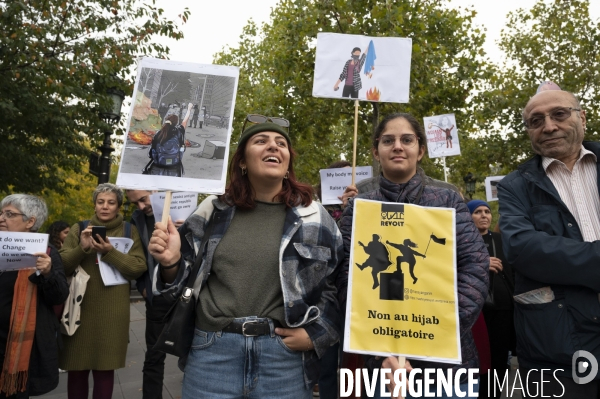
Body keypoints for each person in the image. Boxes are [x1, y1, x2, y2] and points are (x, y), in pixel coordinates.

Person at [148, 117, 343, 398]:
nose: (272, 147)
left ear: (288, 162)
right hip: (212, 354)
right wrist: (171, 262)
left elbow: (336, 286)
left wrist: (317, 334)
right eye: (260, 141)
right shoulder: (212, 210)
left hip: (283, 361)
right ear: (242, 161)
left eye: (281, 144)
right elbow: (180, 284)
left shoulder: (315, 216)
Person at [339, 113, 489, 398]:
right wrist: (379, 348)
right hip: (384, 366)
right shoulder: (358, 207)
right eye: (388, 140)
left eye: (407, 140)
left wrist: (441, 326)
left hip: (448, 367)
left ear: (420, 151)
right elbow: (344, 277)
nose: (398, 146)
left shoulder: (448, 200)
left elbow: (475, 266)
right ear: (375, 151)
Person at [498, 87, 600, 397]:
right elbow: (523, 248)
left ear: (582, 117)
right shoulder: (514, 186)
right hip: (556, 348)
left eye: (559, 114)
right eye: (536, 120)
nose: (549, 126)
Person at [59, 183, 147, 399]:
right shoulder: (79, 228)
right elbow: (61, 265)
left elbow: (137, 267)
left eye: (111, 202)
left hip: (112, 312)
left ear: (118, 206)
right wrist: (82, 248)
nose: (105, 207)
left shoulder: (129, 230)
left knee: (104, 370)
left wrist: (110, 252)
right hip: (79, 309)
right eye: (100, 202)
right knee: (76, 370)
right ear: (95, 204)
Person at [0, 194, 69, 398]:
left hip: (18, 346)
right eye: (1, 213)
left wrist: (47, 273)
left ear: (30, 221)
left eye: (9, 214)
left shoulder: (45, 252)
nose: (2, 218)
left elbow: (59, 296)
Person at [125, 189, 184, 399]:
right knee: (153, 356)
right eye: (135, 203)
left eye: (143, 199)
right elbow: (137, 255)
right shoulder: (137, 220)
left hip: (186, 297)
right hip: (156, 298)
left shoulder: (184, 210)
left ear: (156, 190)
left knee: (194, 353)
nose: (141, 207)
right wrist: (143, 286)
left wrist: (186, 229)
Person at [466, 200, 515, 399]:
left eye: (487, 211)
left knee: (499, 360)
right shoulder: (463, 243)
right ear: (468, 217)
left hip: (503, 310)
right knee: (480, 359)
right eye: (477, 212)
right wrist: (481, 263)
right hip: (475, 313)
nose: (484, 215)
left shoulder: (502, 241)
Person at [144, 102, 193, 177]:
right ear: (176, 123)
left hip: (157, 167)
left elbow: (150, 154)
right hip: (174, 167)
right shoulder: (179, 131)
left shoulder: (159, 133)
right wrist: (189, 109)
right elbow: (184, 122)